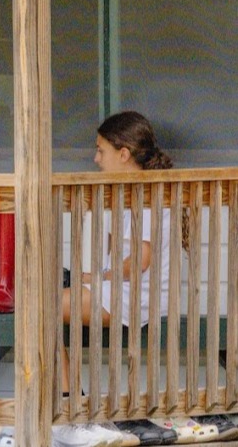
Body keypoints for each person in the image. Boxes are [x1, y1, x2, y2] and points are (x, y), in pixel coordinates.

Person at [54, 111, 189, 446]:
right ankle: (73, 405)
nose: (95, 158)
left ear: (124, 153)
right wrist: (93, 277)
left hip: (132, 299)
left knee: (43, 308)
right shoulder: (131, 191)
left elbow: (140, 261)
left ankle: (70, 408)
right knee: (47, 301)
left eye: (101, 150)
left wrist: (97, 276)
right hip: (124, 292)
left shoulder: (142, 194)